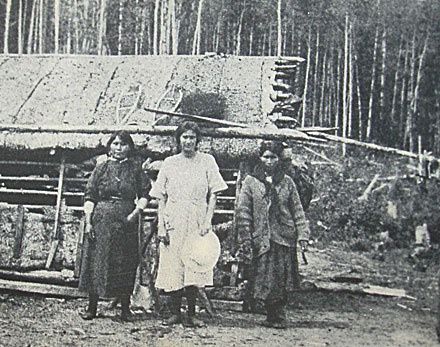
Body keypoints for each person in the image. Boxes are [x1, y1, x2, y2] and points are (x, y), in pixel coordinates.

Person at [149, 121, 228, 327]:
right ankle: (175, 312)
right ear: (178, 140)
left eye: (192, 137)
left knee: (194, 264)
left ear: (197, 140)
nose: (188, 141)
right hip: (173, 218)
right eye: (184, 137)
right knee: (174, 265)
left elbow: (214, 194)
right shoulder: (169, 163)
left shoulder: (207, 161)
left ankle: (192, 314)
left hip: (196, 219)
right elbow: (161, 197)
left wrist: (207, 221)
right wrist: (161, 226)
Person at [235, 140, 310, 329]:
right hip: (262, 237)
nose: (269, 161)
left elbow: (297, 210)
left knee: (281, 277)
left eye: (273, 157)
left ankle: (278, 314)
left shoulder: (287, 182)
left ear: (279, 159)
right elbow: (243, 211)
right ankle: (270, 312)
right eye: (266, 157)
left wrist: (302, 235)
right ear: (260, 158)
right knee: (264, 277)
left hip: (284, 237)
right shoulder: (251, 182)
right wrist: (245, 236)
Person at [79, 131, 151, 322]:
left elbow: (145, 194)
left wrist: (135, 214)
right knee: (98, 261)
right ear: (110, 146)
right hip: (101, 220)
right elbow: (90, 195)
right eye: (115, 144)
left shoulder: (135, 169)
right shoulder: (100, 169)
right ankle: (92, 307)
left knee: (125, 262)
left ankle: (125, 309)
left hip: (126, 220)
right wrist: (88, 222)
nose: (119, 148)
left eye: (123, 144)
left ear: (129, 148)